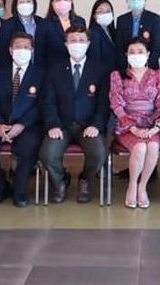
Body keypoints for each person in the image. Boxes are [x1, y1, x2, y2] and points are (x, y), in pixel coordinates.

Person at [39, 25, 109, 204]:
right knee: (48, 154)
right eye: (72, 40)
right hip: (61, 126)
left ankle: (85, 180)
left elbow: (104, 104)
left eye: (81, 40)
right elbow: (48, 102)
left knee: (99, 153)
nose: (77, 44)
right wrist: (53, 124)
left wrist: (96, 125)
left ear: (88, 43)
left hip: (88, 127)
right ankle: (61, 180)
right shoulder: (54, 70)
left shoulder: (100, 69)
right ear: (66, 44)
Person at [0, 32, 43, 208]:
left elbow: (42, 105)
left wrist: (22, 124)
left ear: (32, 51)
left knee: (29, 147)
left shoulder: (41, 74)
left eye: (26, 47)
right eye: (18, 47)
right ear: (10, 50)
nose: (22, 50)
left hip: (27, 126)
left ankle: (20, 191)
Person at [110, 39, 160, 208]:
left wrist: (156, 127)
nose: (136, 55)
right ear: (126, 55)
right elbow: (116, 104)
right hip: (127, 125)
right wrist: (132, 127)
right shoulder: (117, 75)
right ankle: (132, 185)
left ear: (148, 54)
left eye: (140, 51)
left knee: (152, 147)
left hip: (152, 124)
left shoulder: (157, 75)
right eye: (132, 52)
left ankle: (142, 186)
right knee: (140, 148)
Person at [115, 0, 160, 70]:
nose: (136, 0)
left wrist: (146, 67)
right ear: (127, 0)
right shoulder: (121, 20)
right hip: (126, 69)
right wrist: (127, 68)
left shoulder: (154, 19)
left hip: (149, 69)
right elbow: (119, 48)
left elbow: (157, 47)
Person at [0, 0, 47, 68]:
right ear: (16, 5)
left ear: (34, 4)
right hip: (17, 70)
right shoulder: (7, 26)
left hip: (41, 69)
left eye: (28, 1)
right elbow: (3, 54)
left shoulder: (43, 23)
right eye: (21, 2)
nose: (25, 4)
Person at [40, 0, 86, 68]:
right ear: (52, 3)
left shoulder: (80, 21)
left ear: (71, 2)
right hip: (53, 70)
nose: (62, 2)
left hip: (76, 68)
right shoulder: (44, 24)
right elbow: (40, 53)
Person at [89, 0, 119, 74]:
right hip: (103, 75)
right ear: (94, 16)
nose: (105, 14)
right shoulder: (93, 32)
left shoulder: (112, 31)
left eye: (108, 11)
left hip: (114, 74)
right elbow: (95, 59)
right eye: (100, 11)